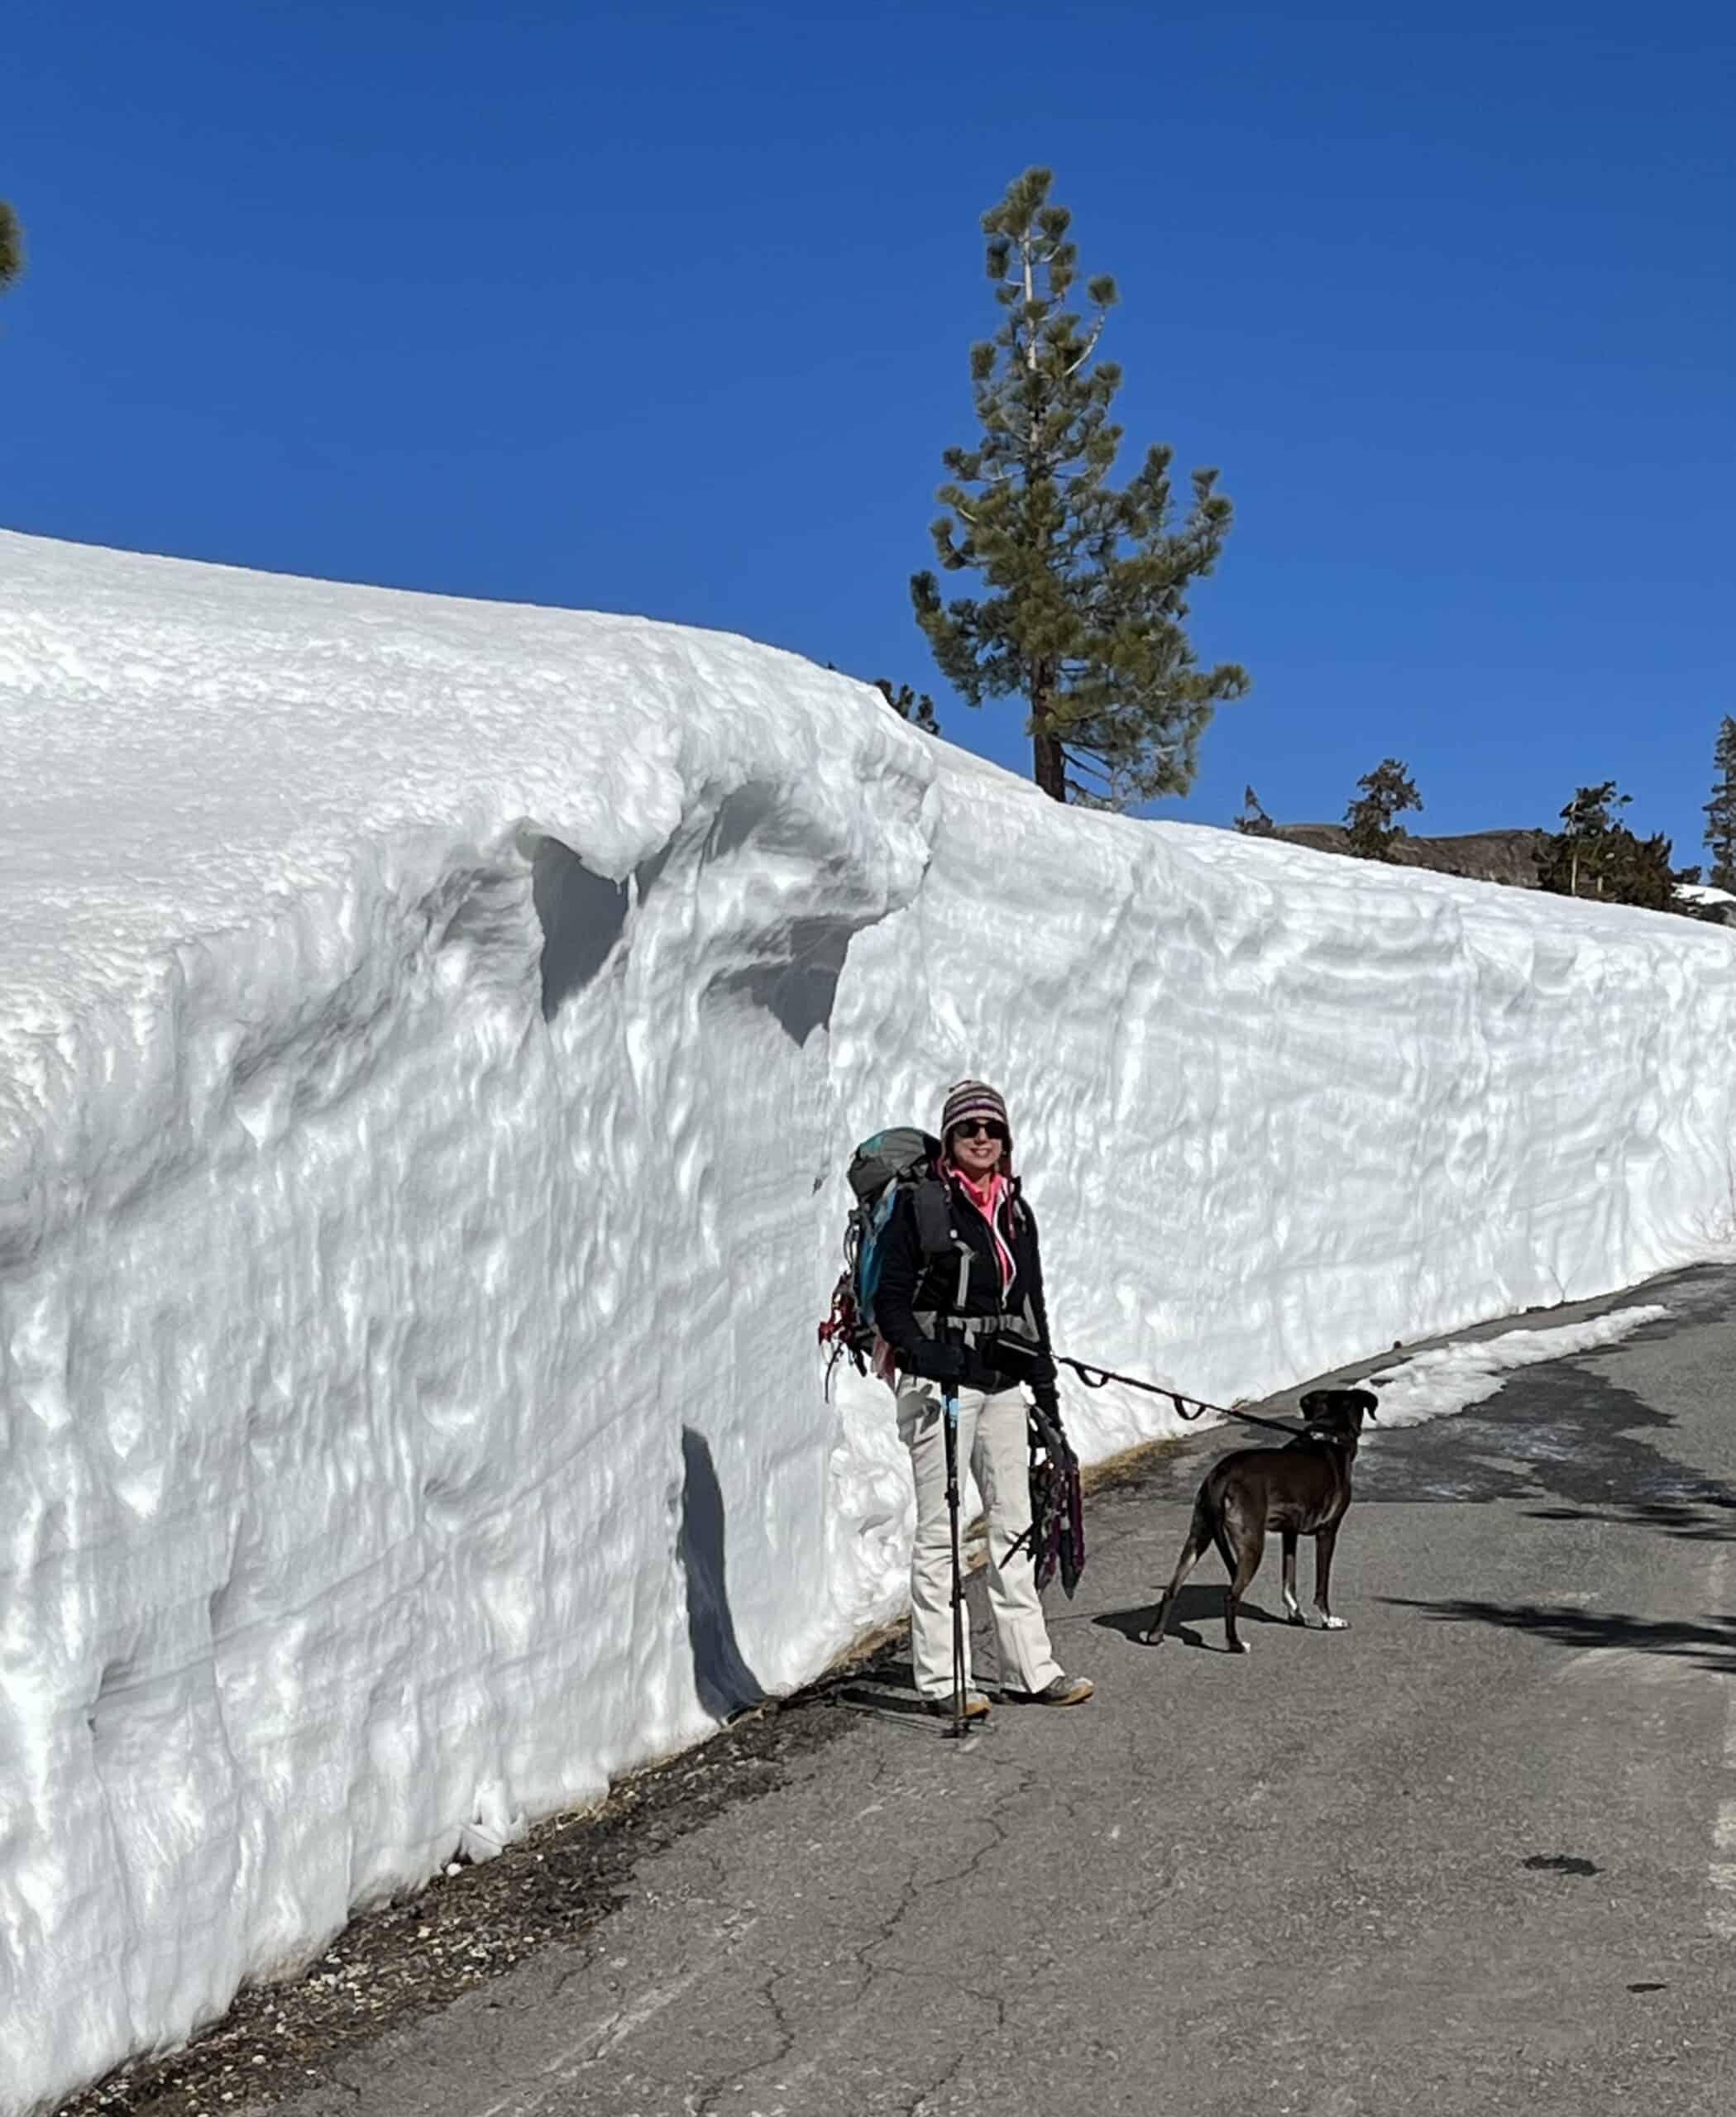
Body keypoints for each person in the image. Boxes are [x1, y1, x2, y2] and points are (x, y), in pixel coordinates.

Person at [872, 1078, 1094, 1716]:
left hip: (999, 1384)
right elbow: (890, 1298)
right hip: (937, 1382)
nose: (980, 1139)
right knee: (941, 1531)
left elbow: (1032, 1306)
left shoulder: (1014, 1212)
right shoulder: (923, 1205)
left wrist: (1045, 1389)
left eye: (991, 1130)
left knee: (1014, 1527)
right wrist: (921, 1351)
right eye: (968, 1129)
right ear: (950, 1138)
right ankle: (944, 1681)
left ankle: (1030, 1669)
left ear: (1005, 1140)